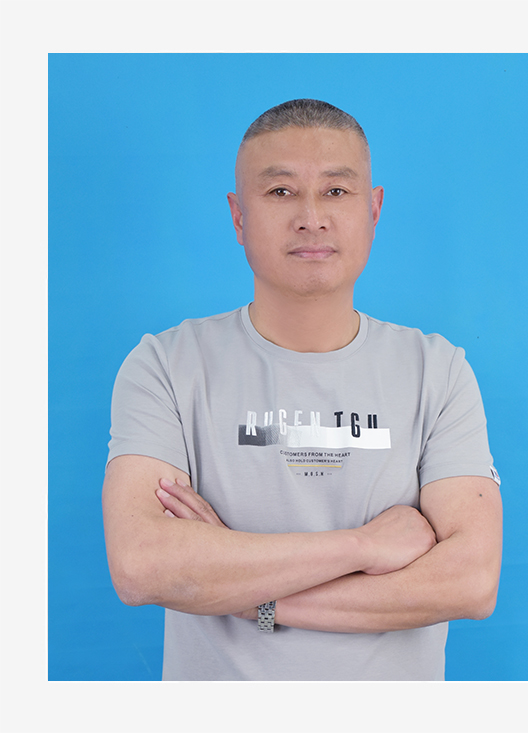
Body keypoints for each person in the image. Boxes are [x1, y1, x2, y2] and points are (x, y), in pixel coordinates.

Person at [102, 98, 503, 681]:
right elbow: (143, 564)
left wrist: (252, 600)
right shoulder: (165, 365)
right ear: (239, 217)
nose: (311, 217)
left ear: (373, 209)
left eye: (336, 191)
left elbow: (470, 581)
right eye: (281, 191)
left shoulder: (437, 370)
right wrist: (363, 546)